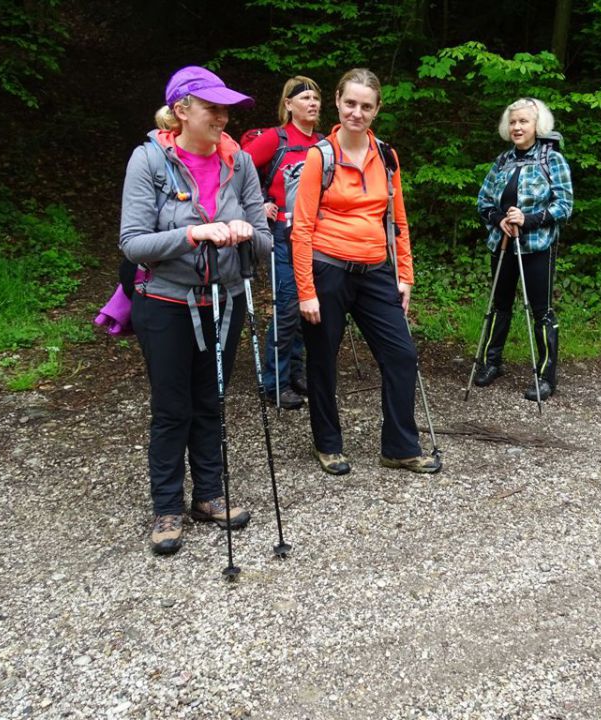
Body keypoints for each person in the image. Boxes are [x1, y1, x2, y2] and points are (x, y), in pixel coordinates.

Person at [120, 65, 272, 556]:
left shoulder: (241, 162)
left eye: (227, 109)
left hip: (223, 301)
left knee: (212, 400)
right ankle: (167, 507)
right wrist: (195, 233)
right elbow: (133, 244)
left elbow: (266, 239)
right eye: (213, 107)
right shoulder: (148, 161)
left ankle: (208, 496)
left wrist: (249, 235)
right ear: (182, 111)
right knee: (172, 406)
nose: (223, 117)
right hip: (164, 303)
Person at [291, 68, 440, 476]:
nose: (357, 112)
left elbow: (398, 221)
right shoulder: (320, 156)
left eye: (366, 106)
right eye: (351, 103)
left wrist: (404, 275)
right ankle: (328, 443)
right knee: (322, 360)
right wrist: (306, 290)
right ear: (338, 102)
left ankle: (399, 446)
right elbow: (301, 227)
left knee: (401, 355)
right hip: (328, 269)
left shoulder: (387, 156)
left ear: (377, 110)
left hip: (376, 270)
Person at [475, 98, 574, 401]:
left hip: (537, 247)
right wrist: (500, 219)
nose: (517, 127)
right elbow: (483, 202)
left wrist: (528, 219)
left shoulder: (551, 159)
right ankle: (491, 363)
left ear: (537, 126)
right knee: (498, 305)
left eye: (524, 122)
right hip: (503, 244)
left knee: (541, 310)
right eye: (513, 122)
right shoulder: (503, 161)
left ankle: (545, 376)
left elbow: (565, 205)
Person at [243, 76, 323, 410]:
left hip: (317, 236)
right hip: (282, 235)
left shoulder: (324, 142)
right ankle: (273, 383)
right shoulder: (274, 140)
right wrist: (257, 203)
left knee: (309, 307)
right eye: (304, 97)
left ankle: (296, 372)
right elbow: (235, 169)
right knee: (288, 307)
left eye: (317, 97)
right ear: (288, 105)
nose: (313, 103)